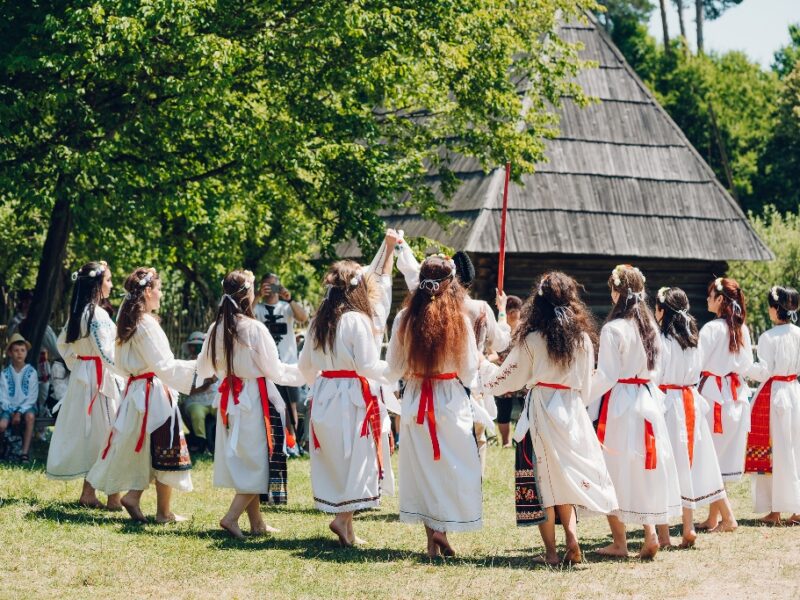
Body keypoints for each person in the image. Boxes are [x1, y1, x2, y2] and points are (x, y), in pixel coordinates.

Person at [482, 272, 617, 566]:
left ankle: (552, 552)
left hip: (542, 409)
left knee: (544, 481)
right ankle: (572, 538)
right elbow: (586, 383)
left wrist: (483, 375)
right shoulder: (582, 339)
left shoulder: (532, 338)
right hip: (572, 411)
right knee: (564, 477)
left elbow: (509, 375)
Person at [385, 255, 482, 558]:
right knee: (454, 468)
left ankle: (432, 542)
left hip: (416, 398)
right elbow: (468, 371)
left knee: (423, 470)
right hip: (450, 398)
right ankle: (440, 533)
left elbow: (393, 368)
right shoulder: (461, 321)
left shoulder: (403, 319)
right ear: (451, 284)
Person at [196, 270, 304, 539]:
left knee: (249, 458)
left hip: (230, 398)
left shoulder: (216, 327)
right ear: (248, 294)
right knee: (260, 460)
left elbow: (204, 366)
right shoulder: (254, 328)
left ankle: (257, 522)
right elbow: (274, 369)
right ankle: (231, 517)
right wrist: (307, 373)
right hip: (253, 398)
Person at [87, 267, 195, 524]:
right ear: (148, 291)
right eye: (158, 289)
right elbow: (164, 364)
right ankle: (162, 512)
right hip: (152, 392)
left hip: (137, 391)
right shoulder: (145, 323)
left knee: (150, 449)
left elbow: (120, 363)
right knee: (165, 447)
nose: (160, 294)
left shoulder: (129, 322)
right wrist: (198, 369)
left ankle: (139, 499)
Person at [589, 265, 681, 560]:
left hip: (621, 404)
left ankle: (619, 542)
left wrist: (580, 396)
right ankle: (650, 533)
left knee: (612, 469)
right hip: (648, 401)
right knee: (644, 468)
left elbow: (605, 375)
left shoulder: (613, 329)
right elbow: (658, 370)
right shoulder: (651, 327)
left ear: (617, 292)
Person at [298, 260, 392, 546]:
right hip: (353, 395)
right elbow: (366, 364)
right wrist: (396, 372)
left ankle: (348, 530)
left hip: (326, 392)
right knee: (358, 458)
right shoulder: (356, 320)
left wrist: (321, 386)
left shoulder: (318, 322)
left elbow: (305, 365)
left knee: (337, 459)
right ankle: (341, 520)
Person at [653, 287, 733, 548]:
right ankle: (688, 527)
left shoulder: (662, 342)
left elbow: (656, 375)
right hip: (690, 402)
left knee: (666, 465)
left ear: (662, 310)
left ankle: (664, 535)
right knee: (686, 464)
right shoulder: (692, 341)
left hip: (668, 403)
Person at [46, 261, 122, 510]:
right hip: (98, 382)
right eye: (108, 280)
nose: (111, 284)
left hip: (84, 378)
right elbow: (107, 352)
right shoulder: (97, 315)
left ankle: (90, 493)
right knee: (112, 432)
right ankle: (113, 496)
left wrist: (77, 364)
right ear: (98, 284)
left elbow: (63, 345)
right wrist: (126, 371)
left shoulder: (79, 312)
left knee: (97, 435)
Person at [696, 277, 752, 531]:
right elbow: (747, 365)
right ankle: (713, 517)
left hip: (715, 399)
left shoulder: (711, 329)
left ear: (719, 299)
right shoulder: (742, 329)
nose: (707, 300)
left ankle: (728, 518)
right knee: (719, 457)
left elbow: (696, 364)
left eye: (710, 295)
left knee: (709, 458)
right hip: (737, 397)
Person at [746, 285, 800, 525]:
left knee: (777, 451)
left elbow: (765, 371)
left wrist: (744, 366)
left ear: (775, 309)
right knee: (795, 449)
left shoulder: (768, 337)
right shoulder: (798, 333)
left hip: (776, 394)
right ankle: (794, 508)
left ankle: (776, 509)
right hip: (795, 391)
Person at [254, 273, 308, 456]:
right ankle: (275, 442)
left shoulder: (286, 308)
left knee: (291, 405)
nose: (270, 289)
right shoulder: (258, 308)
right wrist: (257, 296)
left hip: (288, 363)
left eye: (273, 286)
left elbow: (303, 317)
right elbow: (244, 316)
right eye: (266, 286)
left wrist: (290, 298)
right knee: (269, 406)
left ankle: (291, 443)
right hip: (266, 365)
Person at [491, 295, 524, 447]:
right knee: (503, 409)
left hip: (522, 375)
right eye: (510, 310)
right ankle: (506, 441)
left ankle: (523, 439)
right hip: (504, 373)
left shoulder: (524, 329)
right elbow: (492, 347)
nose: (513, 314)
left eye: (515, 310)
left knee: (525, 408)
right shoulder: (500, 327)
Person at [0, 333, 38, 463]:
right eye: (16, 350)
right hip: (8, 408)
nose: (19, 354)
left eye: (22, 350)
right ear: (10, 353)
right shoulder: (4, 374)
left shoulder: (32, 372)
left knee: (30, 417)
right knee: (2, 424)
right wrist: (11, 412)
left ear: (26, 353)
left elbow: (32, 397)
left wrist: (20, 412)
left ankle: (24, 453)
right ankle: (4, 451)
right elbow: (3, 397)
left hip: (27, 408)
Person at [181, 331, 218, 454]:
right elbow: (186, 389)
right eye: (193, 345)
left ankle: (224, 441)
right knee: (197, 414)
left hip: (214, 398)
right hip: (195, 401)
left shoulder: (213, 362)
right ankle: (201, 444)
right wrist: (203, 386)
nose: (195, 348)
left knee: (224, 411)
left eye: (198, 345)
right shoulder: (186, 365)